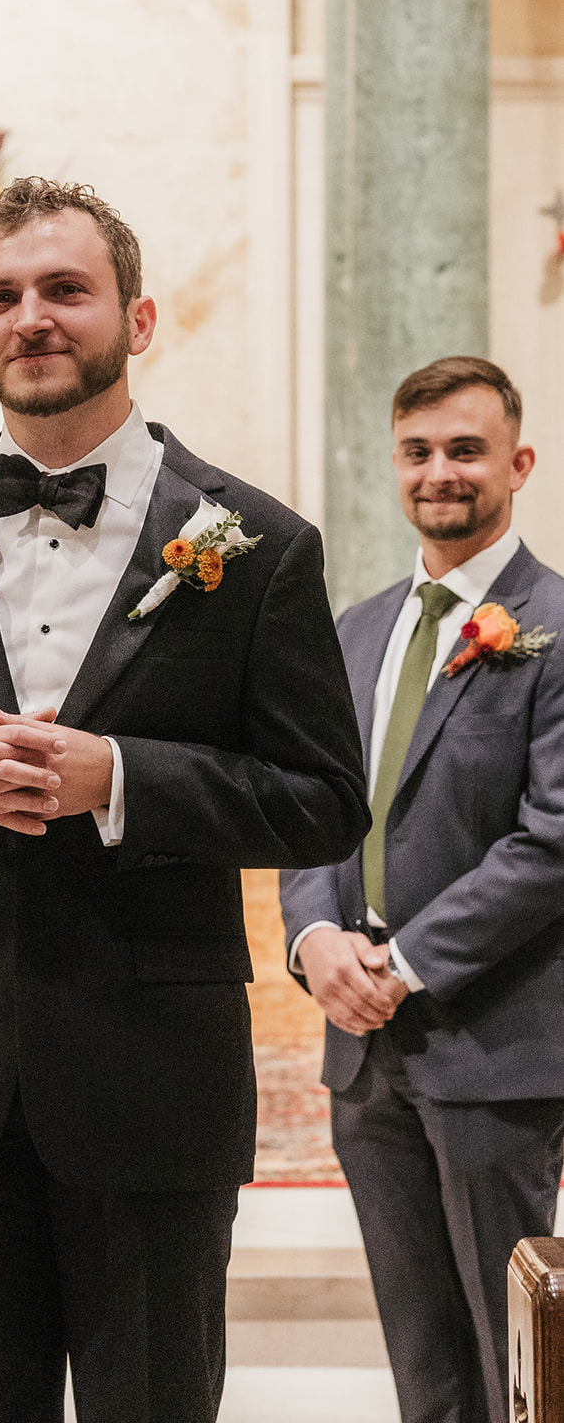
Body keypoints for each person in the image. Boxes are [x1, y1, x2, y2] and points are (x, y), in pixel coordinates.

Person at [0, 176, 369, 1422]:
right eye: (1, 297)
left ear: (137, 318)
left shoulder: (254, 544)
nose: (31, 318)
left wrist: (125, 781)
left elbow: (322, 801)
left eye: (64, 289)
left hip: (149, 1073)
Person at [280, 356, 564, 1423]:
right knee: (421, 1353)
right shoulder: (353, 631)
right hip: (364, 1053)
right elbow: (305, 811)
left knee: (516, 1356)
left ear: (515, 463)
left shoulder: (552, 627)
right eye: (416, 452)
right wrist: (313, 939)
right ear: (390, 465)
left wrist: (398, 964)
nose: (437, 471)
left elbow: (552, 839)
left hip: (491, 1039)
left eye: (462, 449)